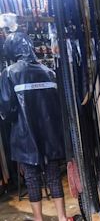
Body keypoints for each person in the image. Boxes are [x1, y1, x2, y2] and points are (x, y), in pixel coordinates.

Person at [0, 32, 67, 221]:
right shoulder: (49, 73)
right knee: (54, 176)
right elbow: (58, 107)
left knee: (31, 178)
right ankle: (62, 217)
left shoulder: (10, 73)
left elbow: (6, 109)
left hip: (25, 136)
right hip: (51, 134)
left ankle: (38, 219)